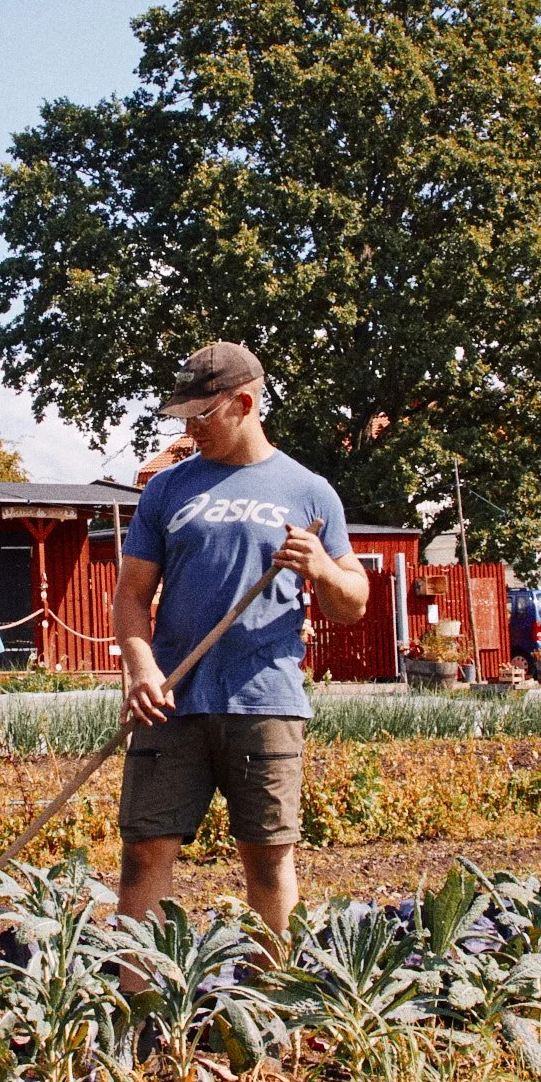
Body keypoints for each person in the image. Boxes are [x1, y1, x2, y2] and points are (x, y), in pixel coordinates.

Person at [113, 341, 370, 935]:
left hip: (265, 702)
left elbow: (350, 604)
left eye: (200, 416)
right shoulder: (167, 490)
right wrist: (141, 670)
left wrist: (322, 568)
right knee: (144, 854)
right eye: (182, 418)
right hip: (171, 701)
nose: (188, 430)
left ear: (244, 404)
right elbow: (130, 597)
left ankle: (272, 1013)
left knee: (268, 859)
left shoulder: (309, 491)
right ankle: (140, 1017)